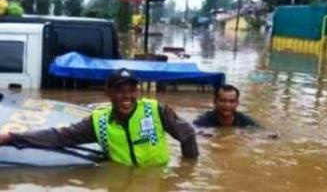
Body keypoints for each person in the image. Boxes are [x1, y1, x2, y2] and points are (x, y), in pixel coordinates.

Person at [0, 68, 199, 167]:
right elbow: (59, 136)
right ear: (108, 93)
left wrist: (186, 170)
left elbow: (187, 134)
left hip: (158, 180)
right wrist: (11, 137)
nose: (126, 97)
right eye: (119, 91)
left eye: (131, 90)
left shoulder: (156, 110)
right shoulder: (98, 122)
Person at [193, 84, 259, 127]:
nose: (227, 105)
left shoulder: (245, 121)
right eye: (222, 101)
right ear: (215, 102)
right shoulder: (203, 120)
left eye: (232, 101)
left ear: (237, 103)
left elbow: (261, 133)